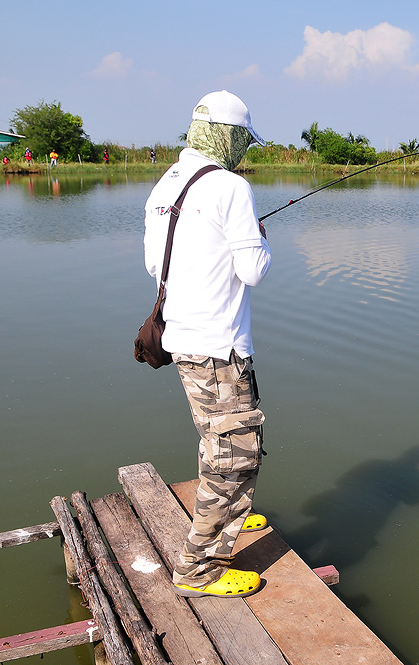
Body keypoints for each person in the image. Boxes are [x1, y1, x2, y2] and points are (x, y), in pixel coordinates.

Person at [143, 90, 271, 599]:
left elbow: (157, 266)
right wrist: (257, 239)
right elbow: (253, 271)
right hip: (219, 345)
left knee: (217, 438)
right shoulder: (230, 187)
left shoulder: (166, 184)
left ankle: (231, 507)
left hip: (185, 339)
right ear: (230, 136)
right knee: (237, 455)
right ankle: (199, 569)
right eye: (243, 140)